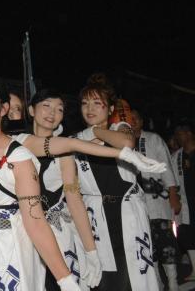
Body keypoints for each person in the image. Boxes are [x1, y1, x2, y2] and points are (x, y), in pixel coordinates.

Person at [0, 77, 79, 290]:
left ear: (3, 109)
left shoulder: (20, 155)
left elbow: (35, 220)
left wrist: (65, 279)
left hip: (7, 251)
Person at [73, 74, 158, 289]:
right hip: (97, 217)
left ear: (110, 109)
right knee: (107, 279)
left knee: (135, 277)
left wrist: (95, 130)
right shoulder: (75, 139)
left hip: (127, 212)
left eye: (97, 103)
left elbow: (127, 142)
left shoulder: (120, 128)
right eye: (85, 103)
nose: (89, 108)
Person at [23, 89, 101, 290]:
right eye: (46, 106)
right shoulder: (17, 143)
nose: (52, 113)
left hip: (55, 231)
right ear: (31, 110)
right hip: (20, 231)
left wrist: (91, 251)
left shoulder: (65, 153)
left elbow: (74, 200)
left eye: (59, 109)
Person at [132, 110, 180, 290]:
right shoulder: (121, 141)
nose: (133, 121)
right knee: (147, 245)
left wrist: (174, 195)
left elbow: (166, 168)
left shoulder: (153, 139)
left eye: (136, 118)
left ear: (142, 121)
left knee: (166, 243)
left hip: (158, 203)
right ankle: (158, 282)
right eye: (130, 118)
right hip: (136, 206)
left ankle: (173, 281)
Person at [172, 121, 195, 279]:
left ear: (189, 133)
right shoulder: (176, 156)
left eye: (180, 133)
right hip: (186, 202)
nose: (177, 137)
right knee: (187, 234)